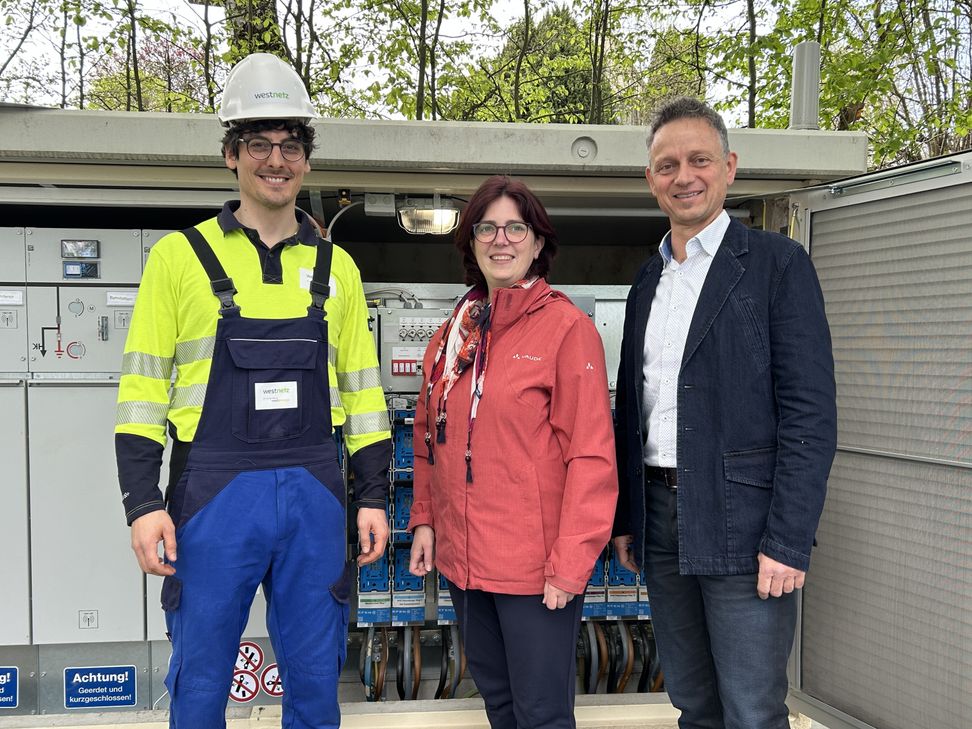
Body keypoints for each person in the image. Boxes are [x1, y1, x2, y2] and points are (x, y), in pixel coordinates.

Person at [114, 53, 392, 729]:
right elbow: (141, 388)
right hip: (212, 497)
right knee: (201, 678)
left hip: (315, 494)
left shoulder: (339, 269)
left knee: (316, 681)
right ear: (232, 154)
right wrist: (143, 501)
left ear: (305, 158)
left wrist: (376, 494)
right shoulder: (178, 259)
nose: (276, 159)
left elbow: (363, 392)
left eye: (290, 145)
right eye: (259, 144)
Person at [612, 97, 837, 729]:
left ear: (730, 167)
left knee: (752, 709)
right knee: (692, 700)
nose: (683, 175)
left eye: (699, 159)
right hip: (660, 519)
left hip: (746, 524)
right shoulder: (647, 281)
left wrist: (788, 540)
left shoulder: (777, 265)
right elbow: (634, 407)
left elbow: (809, 415)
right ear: (650, 180)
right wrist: (629, 514)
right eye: (666, 164)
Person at [407, 176, 617, 729]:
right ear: (472, 242)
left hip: (535, 570)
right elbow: (429, 436)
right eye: (487, 227)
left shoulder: (567, 328)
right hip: (466, 565)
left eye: (515, 228)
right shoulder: (455, 332)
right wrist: (425, 520)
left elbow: (592, 457)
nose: (501, 240)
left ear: (538, 241)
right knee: (498, 706)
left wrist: (572, 565)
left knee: (541, 713)